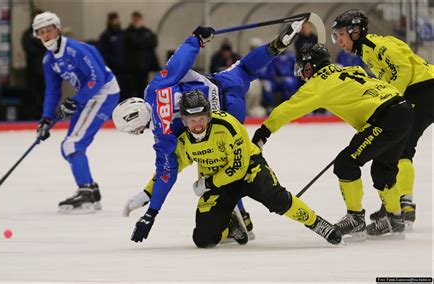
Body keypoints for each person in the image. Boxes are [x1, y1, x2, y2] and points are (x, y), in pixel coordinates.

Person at [113, 20, 306, 238]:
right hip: (224, 84)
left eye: (133, 131)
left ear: (136, 124)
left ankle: (241, 219)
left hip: (225, 118)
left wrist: (151, 210)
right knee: (244, 67)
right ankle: (275, 47)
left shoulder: (163, 135)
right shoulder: (154, 88)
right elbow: (179, 63)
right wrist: (195, 39)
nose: (136, 134)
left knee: (212, 162)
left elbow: (169, 171)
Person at [127, 90, 342, 246]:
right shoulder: (182, 141)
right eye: (192, 120)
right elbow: (167, 171)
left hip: (249, 171)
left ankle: (318, 223)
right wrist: (147, 193)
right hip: (218, 183)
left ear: (209, 116)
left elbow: (238, 168)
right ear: (183, 121)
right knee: (202, 239)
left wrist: (208, 183)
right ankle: (231, 228)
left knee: (277, 199)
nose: (198, 125)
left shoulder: (228, 125)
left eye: (201, 118)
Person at [252, 43, 414, 239]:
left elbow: (289, 108)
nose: (302, 73)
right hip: (402, 110)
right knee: (383, 169)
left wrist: (264, 131)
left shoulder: (319, 84)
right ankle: (395, 219)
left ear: (313, 65)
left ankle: (355, 218)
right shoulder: (343, 69)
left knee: (346, 163)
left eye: (304, 67)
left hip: (385, 118)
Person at [331, 9, 434, 230]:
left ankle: (404, 207)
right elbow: (403, 57)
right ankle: (399, 204)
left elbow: (404, 68)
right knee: (400, 147)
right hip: (423, 89)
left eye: (341, 33)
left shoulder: (373, 45)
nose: (338, 40)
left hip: (423, 90)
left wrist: (389, 102)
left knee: (402, 148)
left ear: (355, 31)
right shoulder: (368, 48)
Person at [32, 11, 121, 213]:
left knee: (73, 144)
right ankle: (90, 189)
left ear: (58, 29)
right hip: (89, 95)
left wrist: (75, 100)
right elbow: (53, 91)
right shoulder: (49, 60)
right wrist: (46, 118)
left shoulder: (74, 49)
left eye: (49, 30)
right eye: (41, 32)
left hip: (103, 92)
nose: (46, 35)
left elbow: (97, 79)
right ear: (37, 35)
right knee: (68, 148)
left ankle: (85, 191)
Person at [123, 11, 160, 101]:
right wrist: (144, 41)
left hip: (144, 67)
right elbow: (134, 41)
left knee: (143, 89)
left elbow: (154, 42)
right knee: (132, 90)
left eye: (138, 19)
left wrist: (142, 42)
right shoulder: (127, 32)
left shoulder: (147, 31)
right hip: (131, 67)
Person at [21, 8, 47, 119]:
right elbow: (30, 49)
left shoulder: (47, 33)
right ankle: (33, 115)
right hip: (33, 71)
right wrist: (39, 44)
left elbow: (50, 48)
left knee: (46, 94)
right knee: (33, 95)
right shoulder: (28, 34)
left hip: (46, 70)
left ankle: (46, 114)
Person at [98, 12, 126, 97]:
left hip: (124, 69)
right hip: (113, 68)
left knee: (125, 91)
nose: (116, 21)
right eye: (113, 20)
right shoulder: (105, 35)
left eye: (117, 19)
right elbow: (103, 52)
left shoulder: (123, 34)